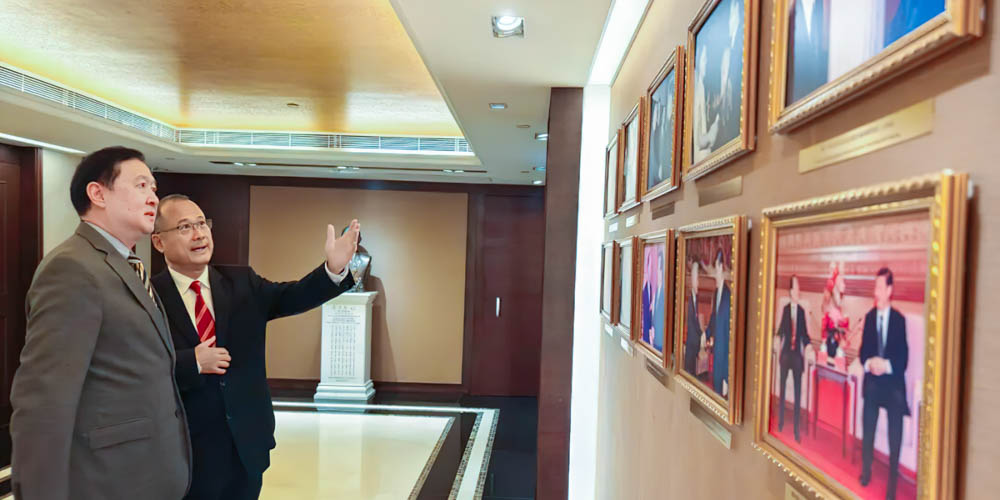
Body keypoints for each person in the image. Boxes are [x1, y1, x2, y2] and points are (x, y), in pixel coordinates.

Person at [149, 194, 359, 500]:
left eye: (202, 224)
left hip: (245, 447)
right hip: (186, 453)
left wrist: (333, 269)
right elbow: (141, 365)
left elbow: (292, 296)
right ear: (158, 242)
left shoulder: (241, 282)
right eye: (184, 227)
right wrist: (190, 362)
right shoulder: (149, 296)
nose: (198, 234)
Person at [10, 147, 191, 499]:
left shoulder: (127, 266)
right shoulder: (72, 269)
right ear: (98, 193)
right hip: (108, 481)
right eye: (141, 185)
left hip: (144, 472)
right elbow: (44, 402)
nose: (153, 197)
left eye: (154, 188)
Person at [859, 267, 909, 500]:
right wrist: (871, 363)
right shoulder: (870, 317)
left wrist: (885, 365)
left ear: (889, 290)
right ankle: (866, 469)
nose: (876, 292)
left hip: (892, 384)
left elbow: (903, 360)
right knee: (868, 406)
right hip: (874, 383)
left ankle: (892, 482)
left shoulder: (899, 320)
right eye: (875, 287)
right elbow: (863, 353)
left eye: (880, 287)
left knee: (896, 409)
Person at [776, 275, 810, 442]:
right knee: (782, 389)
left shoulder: (802, 312)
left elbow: (805, 335)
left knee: (797, 391)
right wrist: (776, 338)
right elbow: (781, 330)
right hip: (786, 354)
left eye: (799, 288)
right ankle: (781, 421)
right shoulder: (785, 309)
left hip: (796, 355)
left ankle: (797, 429)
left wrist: (809, 346)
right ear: (790, 291)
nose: (798, 291)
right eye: (795, 288)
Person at [706, 249, 732, 396]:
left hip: (723, 363)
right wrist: (706, 334)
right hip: (716, 355)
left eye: (716, 269)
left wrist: (727, 377)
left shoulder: (728, 296)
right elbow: (713, 319)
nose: (714, 274)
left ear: (721, 268)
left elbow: (730, 338)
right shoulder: (717, 293)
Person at [684, 259, 704, 375]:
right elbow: (692, 326)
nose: (698, 282)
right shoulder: (690, 299)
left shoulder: (696, 298)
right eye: (696, 278)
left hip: (693, 348)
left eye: (698, 278)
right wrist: (702, 336)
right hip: (691, 349)